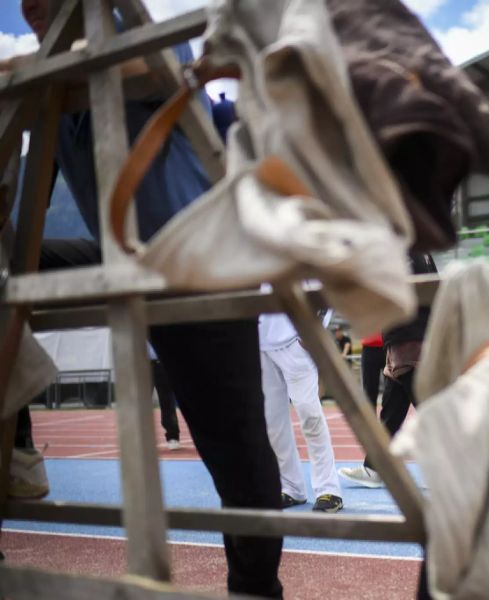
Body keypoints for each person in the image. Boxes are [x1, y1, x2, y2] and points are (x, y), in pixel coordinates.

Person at [6, 1, 284, 595]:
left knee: (234, 446)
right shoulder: (56, 98)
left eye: (45, 4)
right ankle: (19, 441)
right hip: (124, 252)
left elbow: (141, 67)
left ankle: (256, 587)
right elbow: (28, 206)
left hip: (199, 259)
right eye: (27, 6)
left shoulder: (139, 38)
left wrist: (30, 69)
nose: (34, 12)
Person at [339, 252, 437, 488]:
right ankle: (374, 469)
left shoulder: (404, 251)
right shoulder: (420, 252)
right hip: (407, 337)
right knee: (391, 413)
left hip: (407, 339)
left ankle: (464, 469)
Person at [259, 309, 344, 513]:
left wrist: (312, 331)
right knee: (273, 424)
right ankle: (292, 487)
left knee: (310, 416)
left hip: (294, 341)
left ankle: (329, 489)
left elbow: (320, 285)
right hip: (260, 344)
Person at [148, 343, 180, 451]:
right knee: (140, 403)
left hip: (161, 362)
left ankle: (172, 436)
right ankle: (141, 437)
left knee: (167, 400)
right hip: (141, 363)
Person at [360, 332, 386, 410]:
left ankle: (389, 421)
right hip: (369, 348)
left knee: (392, 389)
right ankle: (370, 420)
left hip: (388, 345)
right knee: (369, 390)